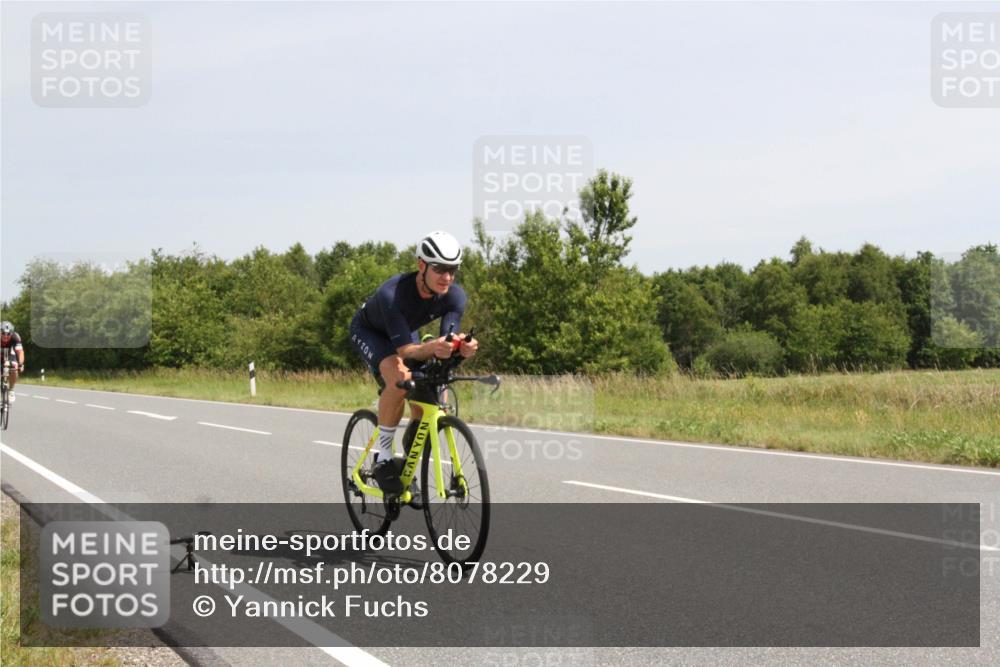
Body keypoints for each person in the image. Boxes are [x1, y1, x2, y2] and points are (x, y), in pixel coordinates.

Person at [349, 231, 478, 496]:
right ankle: (383, 457)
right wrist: (432, 347)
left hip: (405, 332)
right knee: (399, 378)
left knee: (427, 392)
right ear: (421, 265)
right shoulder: (392, 294)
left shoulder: (455, 296)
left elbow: (449, 337)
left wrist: (462, 348)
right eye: (440, 269)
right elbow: (406, 350)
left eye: (452, 270)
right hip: (371, 332)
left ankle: (408, 459)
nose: (447, 277)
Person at [1, 321, 25, 403]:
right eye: (3, 333)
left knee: (14, 368)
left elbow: (20, 352)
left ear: (12, 333)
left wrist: (21, 364)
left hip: (11, 354)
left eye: (8, 334)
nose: (5, 336)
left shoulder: (15, 337)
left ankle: (11, 390)